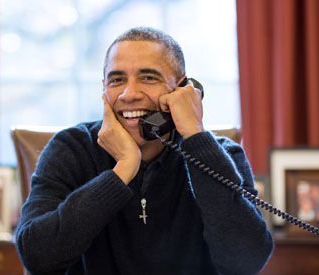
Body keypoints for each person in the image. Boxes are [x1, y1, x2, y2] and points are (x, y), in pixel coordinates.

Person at [15, 27, 273, 274]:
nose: (129, 94)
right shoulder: (71, 149)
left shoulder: (220, 155)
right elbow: (38, 258)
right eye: (117, 80)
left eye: (148, 77)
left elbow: (246, 262)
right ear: (104, 89)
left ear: (182, 90)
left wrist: (196, 138)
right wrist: (123, 169)